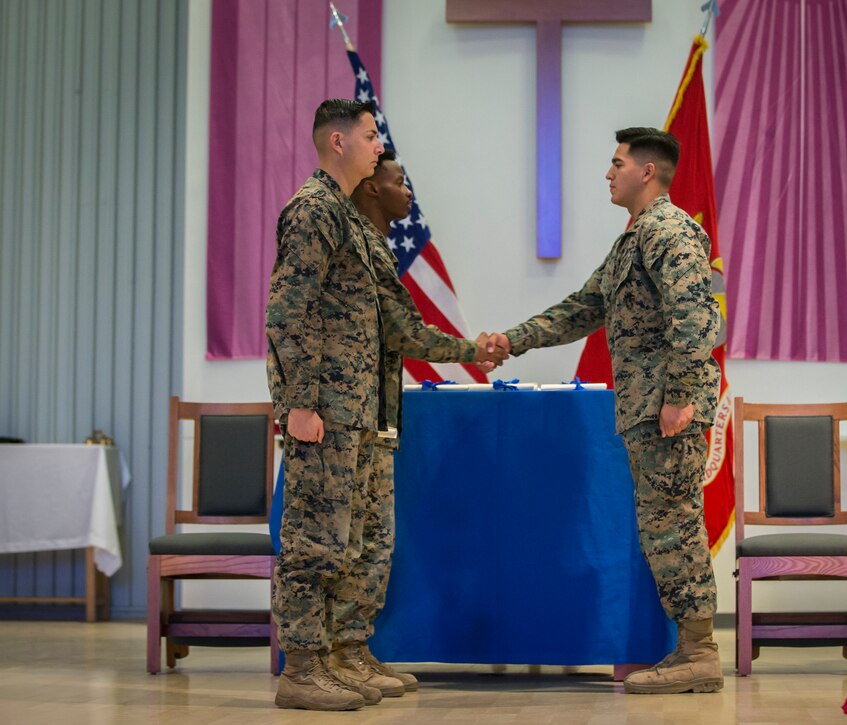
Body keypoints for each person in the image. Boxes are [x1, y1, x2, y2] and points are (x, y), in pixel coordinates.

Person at [266, 100, 504, 711]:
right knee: (314, 541)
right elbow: (288, 313)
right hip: (324, 411)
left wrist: (469, 348)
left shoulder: (350, 225)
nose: (380, 146)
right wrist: (298, 403)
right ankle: (302, 669)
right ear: (339, 141)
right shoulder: (314, 211)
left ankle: (342, 653)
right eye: (372, 137)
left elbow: (396, 326)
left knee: (353, 541)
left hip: (361, 411)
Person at [487, 127, 723, 695]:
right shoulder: (632, 241)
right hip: (646, 408)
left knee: (675, 527)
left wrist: (679, 398)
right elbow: (581, 308)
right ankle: (692, 650)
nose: (608, 173)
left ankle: (699, 654)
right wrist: (511, 340)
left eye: (617, 163)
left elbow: (695, 318)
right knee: (662, 527)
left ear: (647, 171)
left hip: (667, 410)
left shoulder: (670, 231)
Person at [339, 151, 505, 693]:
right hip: (347, 419)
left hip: (376, 417)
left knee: (373, 543)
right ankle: (332, 658)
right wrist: (470, 348)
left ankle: (352, 651)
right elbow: (406, 333)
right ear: (370, 189)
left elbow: (399, 331)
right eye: (399, 181)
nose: (408, 191)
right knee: (340, 545)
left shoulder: (377, 249)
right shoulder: (348, 238)